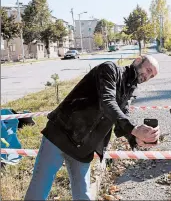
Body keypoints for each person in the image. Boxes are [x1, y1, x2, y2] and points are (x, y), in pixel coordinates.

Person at [24, 55, 161, 200]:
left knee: (83, 195)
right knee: (39, 190)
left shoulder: (128, 89)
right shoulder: (109, 69)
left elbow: (121, 120)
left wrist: (136, 138)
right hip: (59, 135)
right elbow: (107, 102)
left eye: (152, 75)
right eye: (148, 69)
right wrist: (134, 129)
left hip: (83, 148)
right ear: (138, 60)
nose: (148, 76)